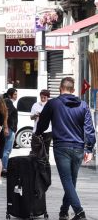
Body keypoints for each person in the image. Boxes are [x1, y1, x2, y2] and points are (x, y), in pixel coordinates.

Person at [35, 77, 95, 220]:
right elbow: (89, 129)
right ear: (73, 90)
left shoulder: (53, 104)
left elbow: (42, 123)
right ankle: (63, 211)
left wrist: (37, 134)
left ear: (60, 89)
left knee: (67, 181)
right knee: (71, 180)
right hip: (79, 148)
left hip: (61, 147)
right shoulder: (83, 105)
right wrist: (89, 149)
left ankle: (79, 212)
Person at [1, 88, 18, 177]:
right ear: (10, 94)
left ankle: (3, 167)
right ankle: (4, 168)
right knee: (7, 150)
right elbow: (6, 115)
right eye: (15, 94)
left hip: (9, 128)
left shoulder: (6, 101)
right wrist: (6, 128)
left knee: (5, 149)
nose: (16, 96)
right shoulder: (8, 102)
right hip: (9, 128)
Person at [31, 89, 52, 156]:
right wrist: (35, 115)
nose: (42, 99)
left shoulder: (50, 105)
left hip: (47, 130)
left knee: (46, 150)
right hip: (37, 130)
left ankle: (45, 165)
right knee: (36, 149)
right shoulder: (35, 105)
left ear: (47, 97)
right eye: (41, 97)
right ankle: (36, 165)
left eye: (44, 97)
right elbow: (31, 117)